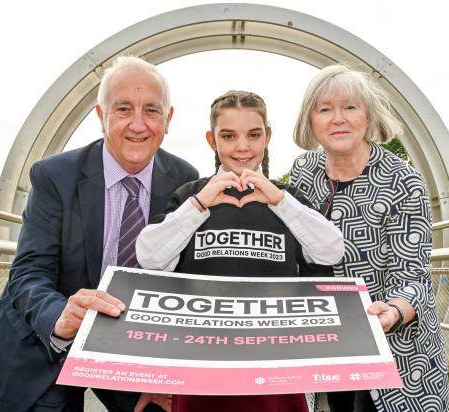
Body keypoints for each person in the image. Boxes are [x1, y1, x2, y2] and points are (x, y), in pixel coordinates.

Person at [0, 55, 198, 412]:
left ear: (168, 119)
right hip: (48, 344)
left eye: (152, 110)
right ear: (102, 117)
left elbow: (183, 283)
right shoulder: (54, 176)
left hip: (131, 349)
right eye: (124, 109)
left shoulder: (184, 179)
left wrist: (167, 371)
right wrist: (60, 317)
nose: (138, 125)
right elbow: (29, 272)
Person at [134, 90, 344, 412]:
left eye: (253, 135)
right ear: (212, 140)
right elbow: (149, 256)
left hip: (276, 367)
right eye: (229, 136)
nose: (242, 146)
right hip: (200, 366)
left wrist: (280, 201)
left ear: (267, 138)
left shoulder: (287, 198)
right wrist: (200, 204)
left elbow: (331, 252)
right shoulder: (190, 196)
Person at [289, 65, 449, 412]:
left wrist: (393, 310)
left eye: (350, 107)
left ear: (368, 116)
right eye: (325, 109)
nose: (338, 119)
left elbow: (414, 276)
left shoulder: (403, 182)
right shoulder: (304, 171)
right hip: (334, 343)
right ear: (311, 120)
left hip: (397, 352)